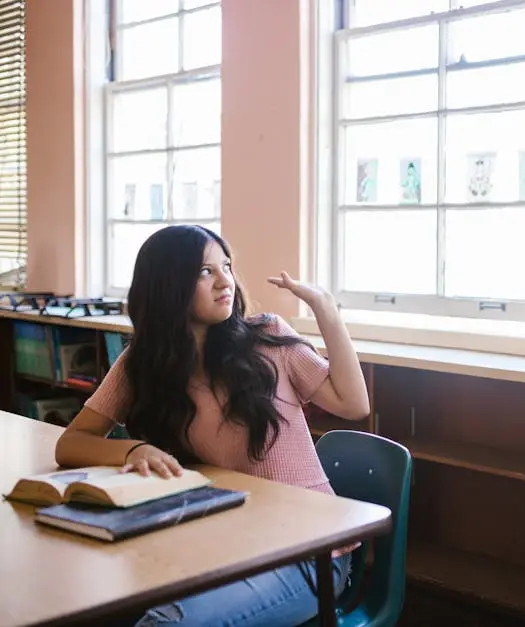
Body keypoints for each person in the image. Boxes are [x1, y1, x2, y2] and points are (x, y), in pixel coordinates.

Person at [54, 224, 370, 627]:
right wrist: (133, 450)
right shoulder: (143, 364)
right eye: (205, 272)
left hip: (308, 552)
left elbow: (354, 404)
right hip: (219, 545)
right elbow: (72, 443)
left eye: (226, 266)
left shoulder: (268, 338)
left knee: (165, 624)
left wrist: (326, 309)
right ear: (167, 285)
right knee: (91, 605)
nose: (225, 280)